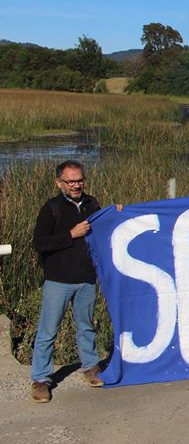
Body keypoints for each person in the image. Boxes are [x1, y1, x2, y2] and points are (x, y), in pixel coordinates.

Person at [30, 161, 103, 403]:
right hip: (58, 280)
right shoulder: (51, 208)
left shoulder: (92, 204)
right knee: (48, 331)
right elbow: (40, 244)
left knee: (86, 326)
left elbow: (106, 229)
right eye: (71, 181)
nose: (76, 185)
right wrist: (71, 235)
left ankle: (91, 367)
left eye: (79, 180)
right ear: (59, 183)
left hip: (86, 278)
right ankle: (41, 379)